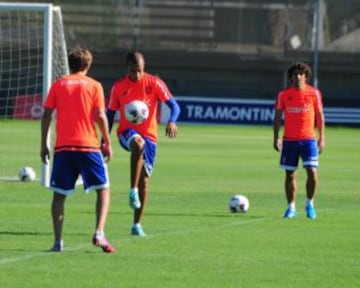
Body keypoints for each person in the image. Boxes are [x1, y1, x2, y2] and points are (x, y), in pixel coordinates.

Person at [40, 48, 116, 252]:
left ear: (70, 64)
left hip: (63, 147)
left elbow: (46, 115)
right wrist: (107, 142)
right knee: (103, 189)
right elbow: (100, 115)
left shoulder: (58, 84)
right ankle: (99, 232)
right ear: (87, 65)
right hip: (88, 145)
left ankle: (57, 242)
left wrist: (43, 144)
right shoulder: (94, 85)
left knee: (59, 195)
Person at [106, 51, 180, 236]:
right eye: (133, 71)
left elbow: (174, 105)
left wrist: (172, 120)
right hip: (126, 133)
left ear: (144, 67)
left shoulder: (154, 83)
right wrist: (104, 140)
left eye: (139, 70)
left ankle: (136, 225)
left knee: (145, 182)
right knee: (137, 144)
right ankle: (132, 191)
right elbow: (108, 115)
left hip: (150, 136)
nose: (136, 75)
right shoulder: (118, 87)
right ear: (127, 68)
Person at [273, 61, 325, 219]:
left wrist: (322, 138)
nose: (298, 76)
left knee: (312, 172)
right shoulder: (283, 95)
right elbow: (277, 117)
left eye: (301, 74)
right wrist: (276, 137)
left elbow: (320, 116)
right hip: (289, 140)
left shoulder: (314, 93)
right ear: (291, 77)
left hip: (309, 140)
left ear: (306, 77)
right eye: (295, 74)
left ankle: (310, 203)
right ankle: (291, 208)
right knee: (290, 175)